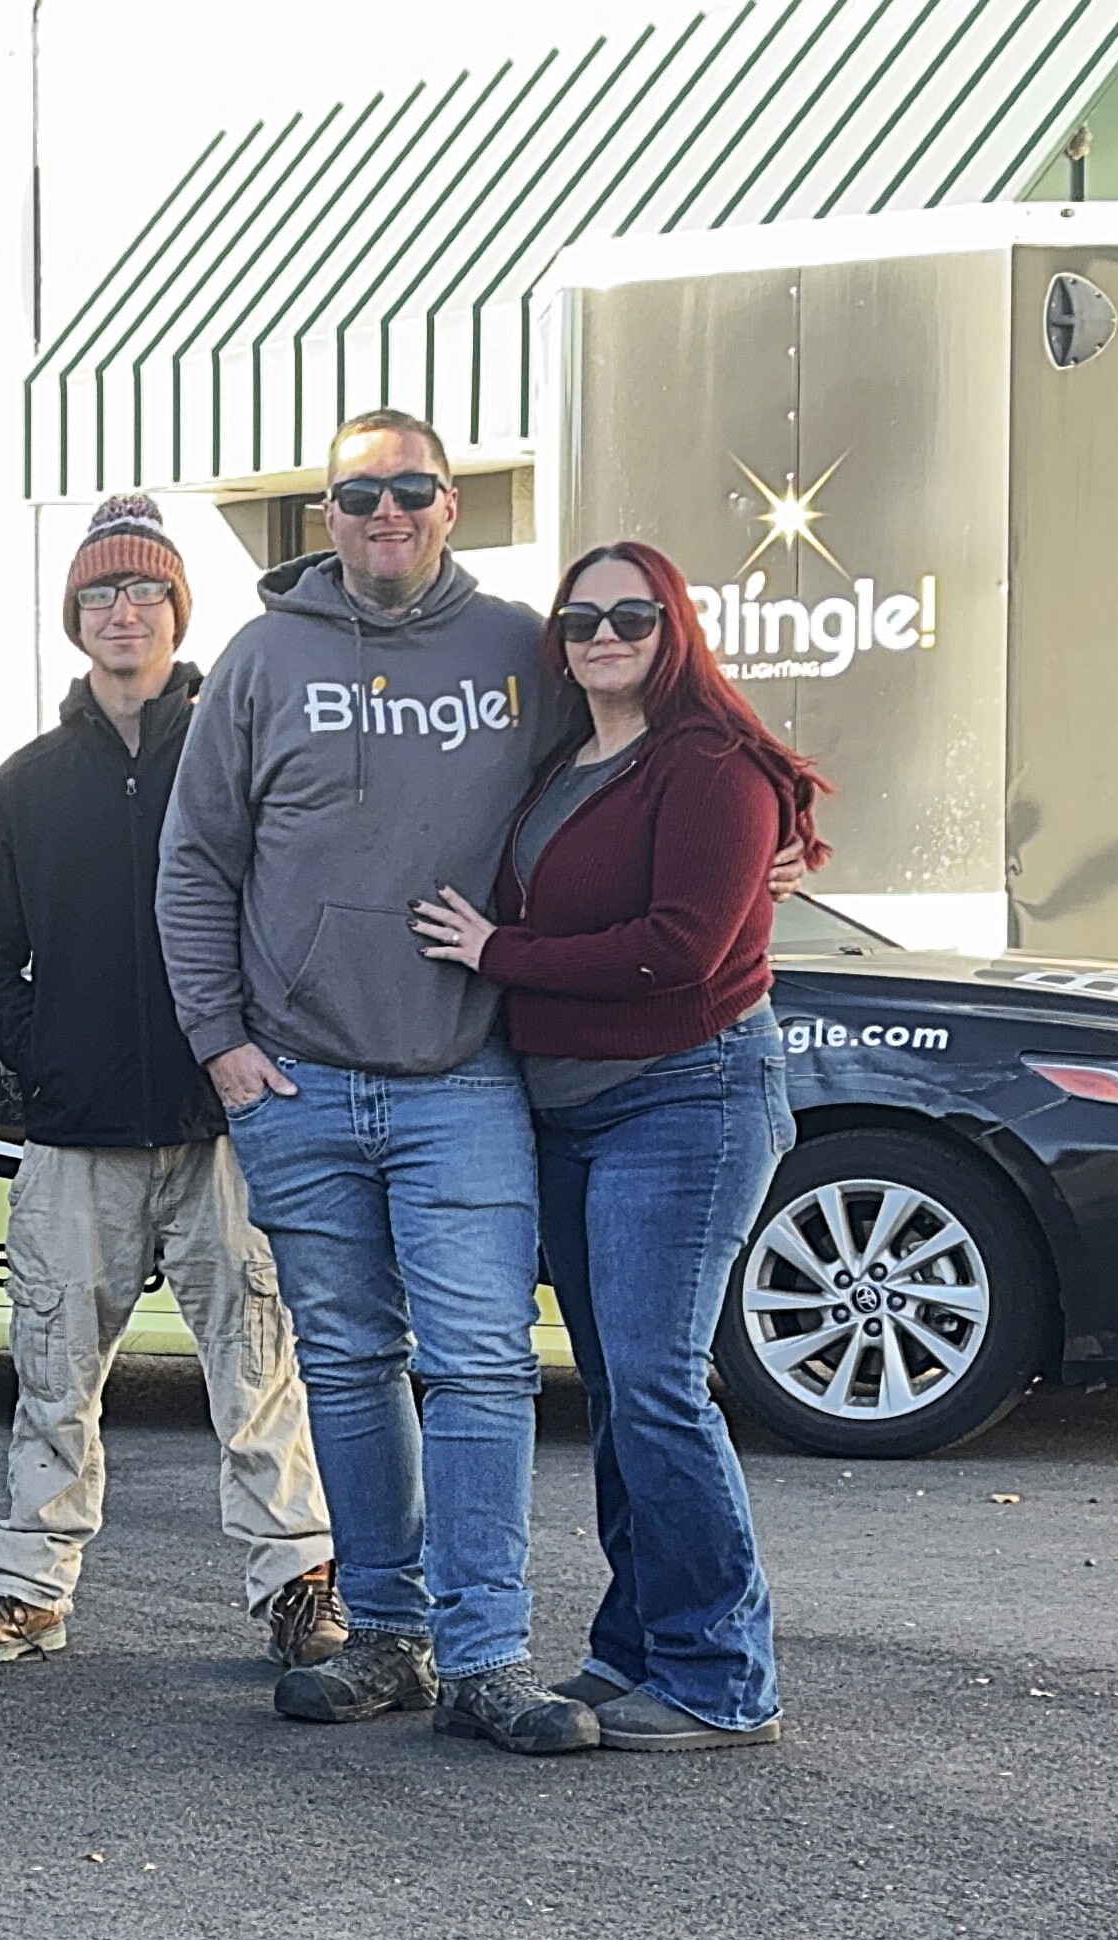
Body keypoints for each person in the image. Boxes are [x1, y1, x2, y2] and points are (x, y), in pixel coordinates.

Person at [156, 408, 601, 1755]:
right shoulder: (262, 658)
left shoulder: (518, 650)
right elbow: (196, 860)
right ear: (327, 517)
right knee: (347, 1368)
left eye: (412, 489)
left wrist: (766, 822)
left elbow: (645, 746)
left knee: (479, 1367)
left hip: (461, 1073)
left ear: (451, 504)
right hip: (294, 1081)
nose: (385, 513)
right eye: (359, 495)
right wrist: (222, 1046)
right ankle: (388, 1639)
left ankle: (485, 1659)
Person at [410, 540, 825, 1753]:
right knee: (618, 1394)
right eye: (581, 618)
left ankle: (721, 1678)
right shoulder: (566, 761)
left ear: (672, 627)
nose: (602, 635)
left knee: (656, 1387)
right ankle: (634, 1645)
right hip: (572, 1113)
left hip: (684, 1098)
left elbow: (679, 950)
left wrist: (498, 953)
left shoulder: (710, 764)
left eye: (630, 617)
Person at [0, 496, 342, 1670]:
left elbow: (295, 919)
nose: (126, 611)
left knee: (259, 1369)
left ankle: (298, 1580)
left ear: (177, 611)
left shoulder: (234, 758)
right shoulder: (26, 784)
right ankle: (26, 1586)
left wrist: (256, 1053)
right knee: (52, 1373)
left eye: (147, 590)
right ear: (75, 618)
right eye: (103, 593)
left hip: (227, 1130)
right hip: (75, 1138)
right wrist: (51, 1050)